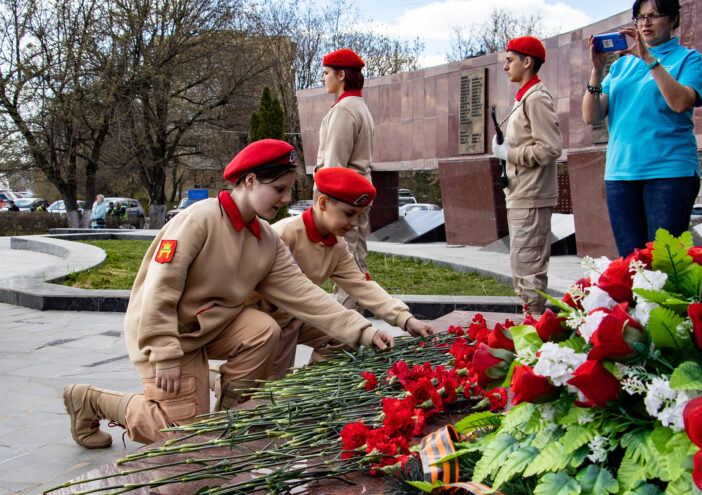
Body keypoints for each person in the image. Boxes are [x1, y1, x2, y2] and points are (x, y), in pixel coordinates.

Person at [62, 139, 394, 448]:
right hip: (168, 333)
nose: (284, 199)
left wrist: (363, 331)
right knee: (179, 435)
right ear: (250, 181)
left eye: (287, 190)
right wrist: (164, 353)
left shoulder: (266, 239)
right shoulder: (199, 219)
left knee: (265, 330)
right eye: (279, 189)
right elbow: (158, 289)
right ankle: (89, 400)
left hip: (213, 327)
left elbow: (305, 294)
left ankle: (228, 424)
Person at [248, 167, 436, 379]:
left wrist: (405, 318)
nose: (355, 224)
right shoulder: (282, 235)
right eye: (349, 214)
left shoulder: (337, 245)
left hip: (299, 318)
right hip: (267, 323)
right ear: (323, 203)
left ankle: (314, 382)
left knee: (348, 337)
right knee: (261, 392)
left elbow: (362, 285)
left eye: (360, 215)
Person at [581, 0, 702, 257]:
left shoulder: (688, 58)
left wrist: (649, 58)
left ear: (673, 20)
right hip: (621, 174)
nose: (645, 22)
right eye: (639, 17)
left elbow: (681, 102)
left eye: (654, 15)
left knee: (665, 263)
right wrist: (596, 70)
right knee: (631, 265)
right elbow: (591, 114)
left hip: (670, 173)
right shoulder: (620, 66)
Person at [491, 36, 562, 316]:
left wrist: (509, 154)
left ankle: (534, 332)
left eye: (510, 60)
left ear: (527, 62)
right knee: (521, 267)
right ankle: (529, 326)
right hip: (521, 193)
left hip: (532, 194)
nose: (506, 66)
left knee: (530, 269)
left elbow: (550, 148)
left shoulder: (537, 98)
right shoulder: (524, 98)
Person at [315, 48, 375, 312]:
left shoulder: (345, 110)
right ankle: (356, 330)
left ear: (341, 75)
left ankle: (348, 335)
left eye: (327, 73)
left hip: (342, 199)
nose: (323, 78)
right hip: (353, 196)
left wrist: (324, 206)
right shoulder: (356, 106)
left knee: (346, 266)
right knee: (354, 262)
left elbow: (334, 168)